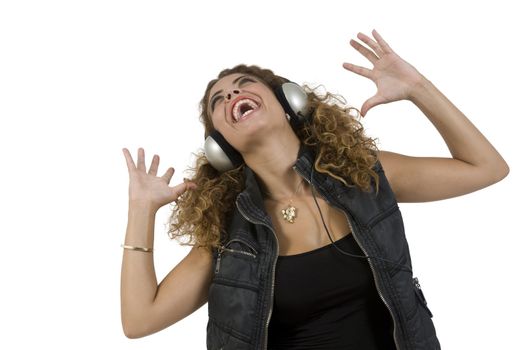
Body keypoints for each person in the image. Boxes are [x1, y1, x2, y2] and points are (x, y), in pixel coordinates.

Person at [120, 29, 509, 349]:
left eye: (243, 86)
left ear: (290, 102)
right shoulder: (230, 238)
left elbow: (487, 168)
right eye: (218, 101)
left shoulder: (364, 175)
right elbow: (139, 320)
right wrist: (141, 208)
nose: (232, 96)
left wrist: (417, 88)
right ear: (220, 146)